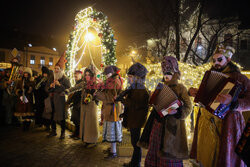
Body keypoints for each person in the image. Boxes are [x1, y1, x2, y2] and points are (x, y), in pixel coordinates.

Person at [189, 45, 250, 167]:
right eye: (214, 60)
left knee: (224, 158)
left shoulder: (240, 78)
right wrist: (196, 93)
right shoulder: (209, 75)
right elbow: (205, 96)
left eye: (219, 59)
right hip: (206, 124)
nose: (215, 63)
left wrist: (233, 102)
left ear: (228, 60)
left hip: (228, 125)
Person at [144, 56, 192, 167]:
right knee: (155, 151)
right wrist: (152, 99)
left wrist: (178, 113)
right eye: (164, 72)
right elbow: (156, 105)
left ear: (174, 72)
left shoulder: (181, 88)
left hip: (172, 128)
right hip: (158, 125)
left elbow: (188, 107)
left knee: (169, 156)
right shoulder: (160, 87)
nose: (166, 75)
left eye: (169, 72)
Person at [116, 62, 149, 167]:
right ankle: (135, 162)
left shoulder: (141, 90)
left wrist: (123, 101)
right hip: (133, 118)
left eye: (131, 76)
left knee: (136, 143)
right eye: (129, 76)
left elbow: (136, 105)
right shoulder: (134, 88)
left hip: (137, 120)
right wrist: (124, 113)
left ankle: (136, 163)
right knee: (135, 143)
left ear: (137, 77)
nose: (129, 79)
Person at [66, 66, 99, 147]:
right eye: (86, 74)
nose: (87, 76)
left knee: (91, 124)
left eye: (88, 75)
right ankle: (87, 139)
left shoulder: (95, 84)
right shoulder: (84, 83)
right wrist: (67, 90)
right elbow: (76, 87)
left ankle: (92, 141)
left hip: (91, 106)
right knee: (85, 123)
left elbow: (95, 94)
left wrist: (90, 97)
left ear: (91, 76)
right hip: (84, 106)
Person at [95, 65, 123, 159]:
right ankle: (111, 149)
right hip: (110, 109)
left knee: (113, 131)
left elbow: (111, 98)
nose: (106, 76)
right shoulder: (111, 80)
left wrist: (98, 95)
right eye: (106, 74)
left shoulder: (114, 81)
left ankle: (113, 152)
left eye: (108, 74)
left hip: (113, 110)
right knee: (110, 131)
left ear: (112, 73)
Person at [47, 53, 71, 139]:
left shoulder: (65, 78)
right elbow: (46, 88)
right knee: (52, 115)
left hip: (60, 99)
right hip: (52, 99)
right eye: (55, 69)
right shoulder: (51, 77)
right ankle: (53, 131)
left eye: (58, 69)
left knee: (61, 116)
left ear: (61, 70)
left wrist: (60, 85)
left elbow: (68, 89)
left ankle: (62, 133)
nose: (56, 70)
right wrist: (50, 87)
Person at [66, 70, 83, 140]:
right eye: (75, 75)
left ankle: (78, 134)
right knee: (75, 119)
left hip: (79, 104)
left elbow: (78, 93)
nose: (75, 76)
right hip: (75, 103)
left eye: (77, 75)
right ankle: (76, 133)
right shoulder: (77, 83)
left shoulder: (81, 83)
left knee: (77, 119)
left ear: (80, 75)